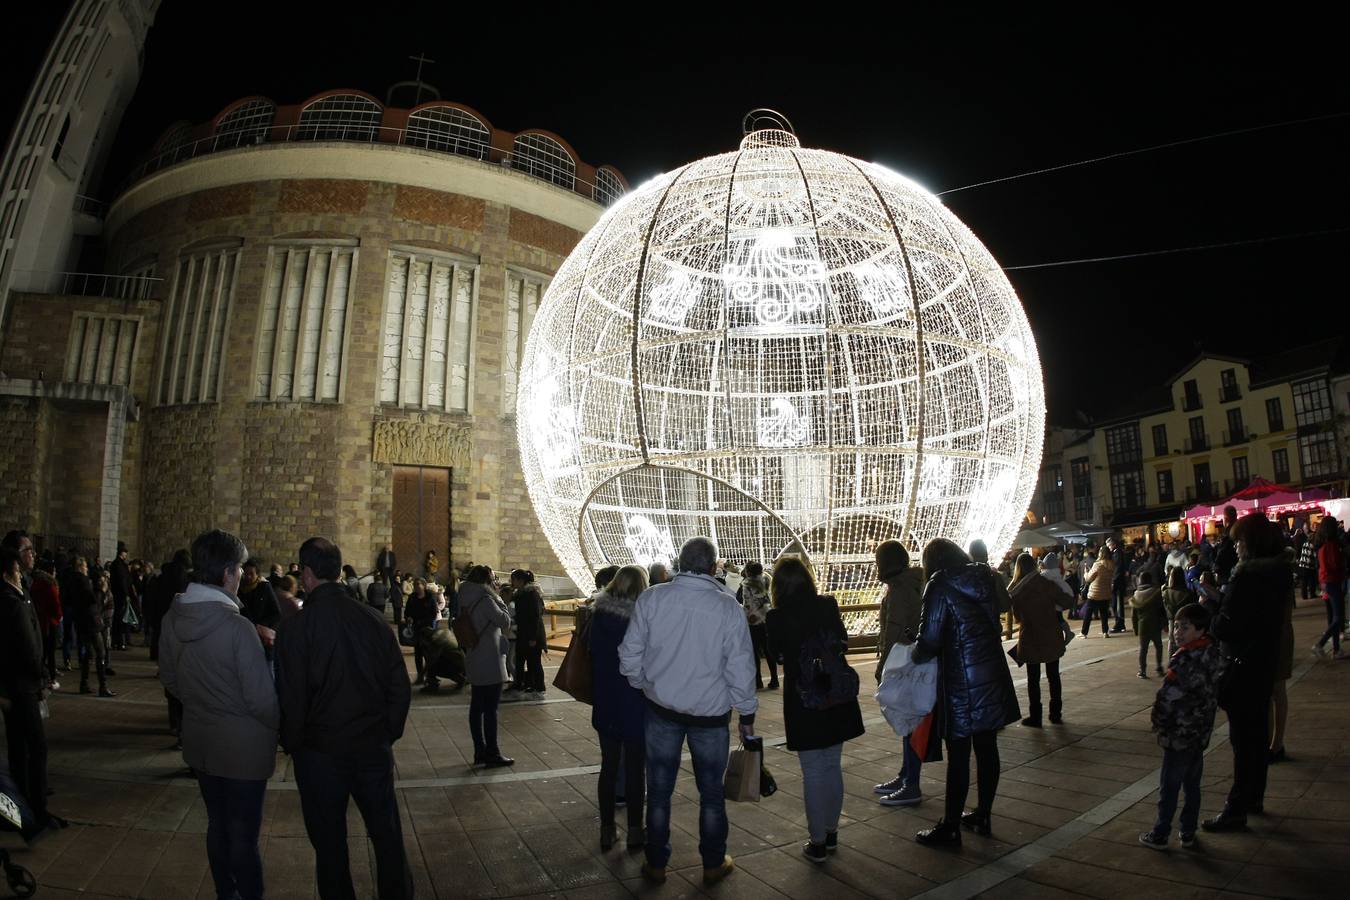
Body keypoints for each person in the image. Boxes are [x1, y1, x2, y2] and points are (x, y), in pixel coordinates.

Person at [275, 537, 413, 900]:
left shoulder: (295, 629)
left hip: (320, 753)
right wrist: (387, 733)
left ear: (305, 574)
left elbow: (291, 696)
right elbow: (399, 685)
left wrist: (294, 743)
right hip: (371, 747)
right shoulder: (373, 620)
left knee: (330, 845)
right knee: (386, 836)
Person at [619, 536, 756, 886]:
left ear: (678, 563)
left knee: (660, 791)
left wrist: (643, 683)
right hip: (710, 718)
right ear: (713, 567)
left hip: (661, 710)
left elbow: (629, 653)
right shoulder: (728, 608)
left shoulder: (652, 598)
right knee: (711, 795)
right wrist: (746, 712)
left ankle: (656, 864)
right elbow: (741, 669)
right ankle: (712, 864)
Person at [158, 529, 280, 900]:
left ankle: (225, 894)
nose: (243, 575)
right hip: (243, 751)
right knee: (243, 835)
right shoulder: (237, 628)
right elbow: (262, 701)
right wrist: (283, 727)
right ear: (228, 572)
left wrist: (203, 704)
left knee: (218, 825)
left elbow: (171, 679)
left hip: (202, 742)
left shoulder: (173, 618)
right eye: (240, 569)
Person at [911, 539, 1020, 847]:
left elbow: (929, 639)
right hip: (991, 672)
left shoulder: (939, 584)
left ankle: (950, 827)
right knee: (987, 747)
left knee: (959, 752)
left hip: (960, 679)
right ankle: (983, 813)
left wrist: (914, 653)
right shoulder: (984, 576)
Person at [767, 557, 865, 863]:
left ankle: (817, 841)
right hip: (835, 693)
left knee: (812, 771)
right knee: (832, 765)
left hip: (803, 698)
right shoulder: (827, 605)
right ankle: (832, 833)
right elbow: (843, 641)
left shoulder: (776, 617)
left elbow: (776, 655)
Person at [1202, 514, 1287, 832]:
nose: (1235, 547)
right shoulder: (1277, 573)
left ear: (1250, 544)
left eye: (1238, 541)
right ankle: (1254, 796)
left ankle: (1236, 807)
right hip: (1263, 662)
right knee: (1257, 735)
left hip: (1240, 665)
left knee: (1243, 740)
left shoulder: (1246, 577)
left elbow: (1227, 626)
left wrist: (1213, 607)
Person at [1138, 603, 1225, 850]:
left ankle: (1161, 832)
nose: (1177, 632)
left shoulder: (1186, 658)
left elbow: (1169, 696)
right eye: (1176, 626)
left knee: (1169, 785)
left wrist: (1159, 720)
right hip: (1200, 731)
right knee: (1192, 785)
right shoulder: (1212, 653)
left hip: (1179, 732)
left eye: (1184, 627)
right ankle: (1187, 831)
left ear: (1200, 630)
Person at [588, 564, 649, 851]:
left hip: (605, 698)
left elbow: (590, 651)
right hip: (635, 700)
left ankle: (606, 828)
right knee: (636, 767)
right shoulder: (642, 618)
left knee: (609, 765)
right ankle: (636, 829)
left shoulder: (598, 615)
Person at [872, 539, 926, 806]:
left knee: (909, 722)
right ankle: (906, 774)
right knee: (909, 722)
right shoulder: (909, 583)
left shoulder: (900, 589)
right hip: (911, 660)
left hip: (904, 663)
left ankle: (911, 783)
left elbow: (894, 628)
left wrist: (882, 665)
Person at [459, 565, 514, 767]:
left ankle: (479, 751)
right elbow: (505, 621)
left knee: (476, 707)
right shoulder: (487, 599)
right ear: (486, 580)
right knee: (490, 709)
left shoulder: (463, 596)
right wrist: (502, 601)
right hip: (489, 658)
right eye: (493, 579)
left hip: (473, 654)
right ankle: (493, 752)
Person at [1009, 552, 1071, 727]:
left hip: (1031, 637)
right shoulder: (1046, 584)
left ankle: (1035, 716)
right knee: (1053, 675)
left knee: (1033, 679)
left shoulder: (1018, 590)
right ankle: (1055, 712)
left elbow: (1017, 617)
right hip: (1051, 634)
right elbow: (1067, 601)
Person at [737, 562, 776, 690]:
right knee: (768, 650)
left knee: (754, 653)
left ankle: (758, 681)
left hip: (753, 622)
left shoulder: (746, 584)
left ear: (748, 572)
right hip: (767, 619)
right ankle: (775, 679)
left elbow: (747, 604)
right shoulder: (766, 580)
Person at [1313, 517, 1346, 658]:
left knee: (1335, 617)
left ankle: (1336, 649)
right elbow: (1334, 564)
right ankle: (1321, 644)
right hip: (1333, 581)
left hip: (1326, 582)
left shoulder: (1322, 545)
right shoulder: (1331, 545)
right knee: (1338, 617)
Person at [511, 569, 547, 699]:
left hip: (532, 635)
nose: (512, 582)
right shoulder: (521, 594)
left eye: (513, 579)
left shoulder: (531, 594)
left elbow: (535, 617)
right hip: (523, 633)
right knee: (521, 660)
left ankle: (539, 688)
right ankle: (526, 685)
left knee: (534, 662)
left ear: (520, 580)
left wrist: (533, 637)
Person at [237, 560, 281, 660]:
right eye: (246, 574)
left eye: (251, 574)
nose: (248, 577)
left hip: (260, 637)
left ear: (257, 574)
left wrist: (260, 626)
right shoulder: (239, 588)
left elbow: (276, 613)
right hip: (243, 634)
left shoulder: (264, 587)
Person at [30, 558, 62, 691]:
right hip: (49, 622)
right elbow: (55, 604)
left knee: (41, 652)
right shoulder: (50, 585)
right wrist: (58, 616)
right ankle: (51, 679)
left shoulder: (36, 583)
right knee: (50, 652)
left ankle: (41, 677)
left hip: (39, 621)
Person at [1132, 571, 1166, 678]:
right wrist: (1164, 623)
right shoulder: (1156, 592)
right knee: (1158, 647)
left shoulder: (1136, 594)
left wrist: (1135, 628)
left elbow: (1134, 615)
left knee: (1143, 649)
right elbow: (1161, 610)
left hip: (1143, 626)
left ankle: (1142, 671)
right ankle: (1159, 668)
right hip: (1155, 624)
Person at [417, 622, 466, 694]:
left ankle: (433, 685)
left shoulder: (436, 641)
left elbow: (431, 660)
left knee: (432, 666)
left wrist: (422, 675)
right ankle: (461, 677)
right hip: (462, 662)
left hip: (456, 665)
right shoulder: (442, 631)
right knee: (435, 661)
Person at [404, 578, 437, 684]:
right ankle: (420, 676)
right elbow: (407, 611)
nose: (416, 586)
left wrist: (421, 622)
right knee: (418, 653)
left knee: (428, 654)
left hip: (427, 629)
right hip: (416, 630)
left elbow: (433, 614)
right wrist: (408, 617)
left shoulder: (430, 597)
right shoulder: (412, 597)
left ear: (424, 585)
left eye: (418, 584)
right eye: (415, 584)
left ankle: (430, 676)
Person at [1081, 544, 1115, 637]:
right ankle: (1105, 632)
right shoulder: (1112, 564)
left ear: (1101, 553)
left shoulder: (1098, 564)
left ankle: (1084, 633)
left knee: (1088, 613)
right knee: (1104, 614)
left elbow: (1089, 578)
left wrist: (1085, 573)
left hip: (1095, 593)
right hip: (1106, 592)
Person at [1162, 567, 1192, 657]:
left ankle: (1172, 665)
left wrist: (1163, 624)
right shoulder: (1188, 593)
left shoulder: (1166, 593)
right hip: (1185, 621)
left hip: (1171, 621)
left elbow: (1162, 610)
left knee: (1171, 643)